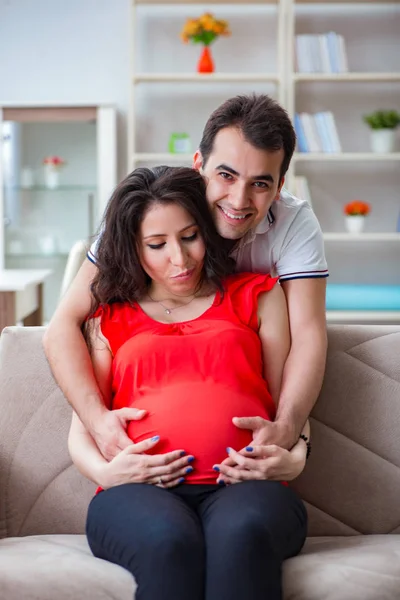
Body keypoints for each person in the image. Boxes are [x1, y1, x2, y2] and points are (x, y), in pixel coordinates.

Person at [43, 93, 327, 480]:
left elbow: (308, 334)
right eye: (225, 175)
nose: (239, 200)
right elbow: (62, 325)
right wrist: (97, 422)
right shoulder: (151, 211)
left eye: (260, 183)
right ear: (199, 166)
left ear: (278, 187)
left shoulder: (294, 224)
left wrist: (291, 435)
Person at [68, 165, 309, 600]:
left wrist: (298, 455)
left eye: (190, 236)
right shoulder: (109, 316)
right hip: (137, 494)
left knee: (244, 534)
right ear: (132, 249)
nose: (179, 260)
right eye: (157, 245)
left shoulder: (257, 294)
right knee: (168, 541)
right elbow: (81, 430)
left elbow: (288, 399)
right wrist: (107, 472)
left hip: (248, 488)